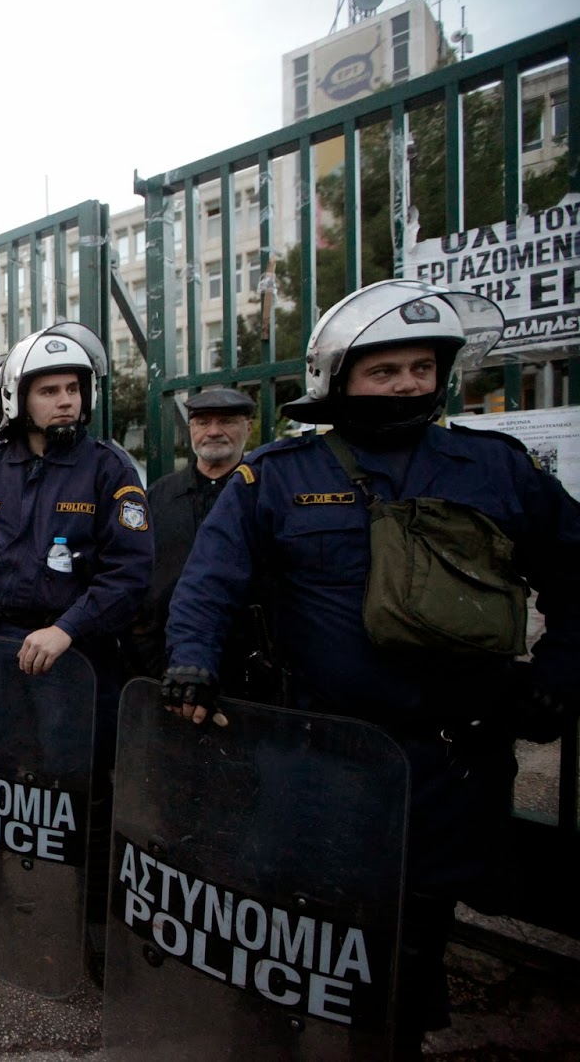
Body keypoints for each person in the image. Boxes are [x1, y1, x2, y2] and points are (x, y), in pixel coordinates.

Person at [164, 279, 580, 1053]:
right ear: (338, 377)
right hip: (323, 752)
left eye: (422, 368)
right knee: (307, 916)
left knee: (417, 923)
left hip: (449, 758)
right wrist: (191, 662)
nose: (407, 385)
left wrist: (561, 673)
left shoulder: (495, 468)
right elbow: (208, 584)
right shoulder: (279, 475)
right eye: (385, 371)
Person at [0, 321, 152, 975]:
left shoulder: (109, 467)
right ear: (18, 399)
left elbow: (129, 573)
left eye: (73, 388)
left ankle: (94, 920)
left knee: (81, 782)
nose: (64, 400)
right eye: (49, 389)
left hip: (73, 651)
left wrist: (69, 629)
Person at [125, 387, 263, 691]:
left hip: (247, 672)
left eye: (226, 421)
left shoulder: (264, 494)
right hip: (160, 668)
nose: (213, 432)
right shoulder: (160, 496)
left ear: (248, 427)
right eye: (202, 422)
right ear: (190, 428)